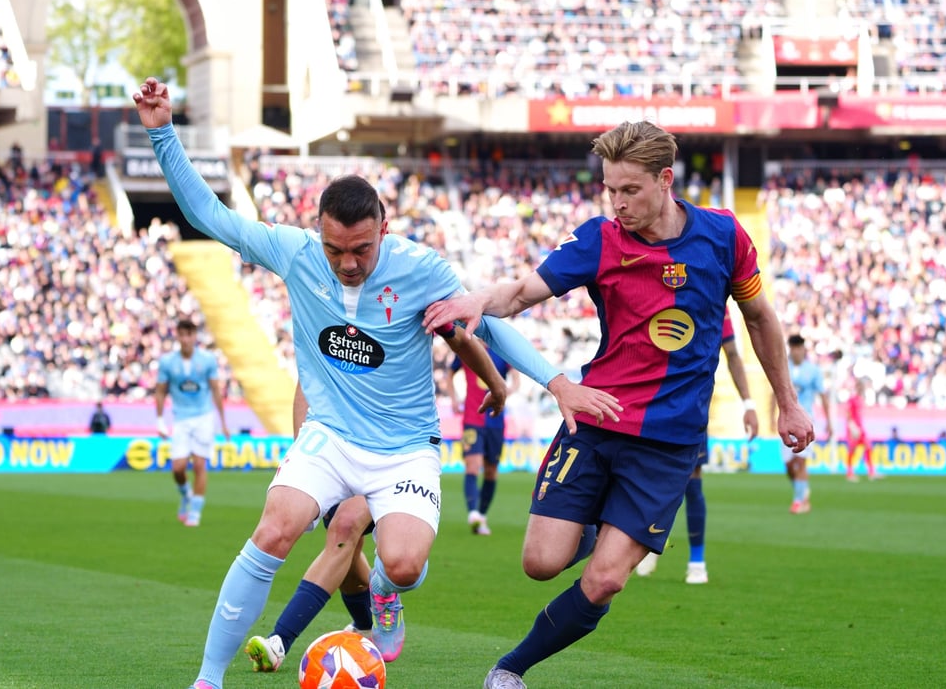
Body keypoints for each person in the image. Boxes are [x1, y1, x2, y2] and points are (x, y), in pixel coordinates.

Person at [132, 77, 621, 689]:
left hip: (406, 447)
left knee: (403, 563)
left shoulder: (421, 270)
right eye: (336, 249)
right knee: (275, 527)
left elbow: (487, 325)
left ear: (383, 229)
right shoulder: (294, 252)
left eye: (361, 249)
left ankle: (387, 595)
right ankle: (208, 679)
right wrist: (161, 131)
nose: (349, 262)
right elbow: (210, 214)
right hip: (330, 434)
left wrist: (553, 382)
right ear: (319, 231)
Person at [422, 120, 814, 689]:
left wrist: (787, 402)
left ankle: (510, 670)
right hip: (596, 418)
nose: (617, 202)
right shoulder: (600, 240)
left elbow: (759, 318)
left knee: (606, 578)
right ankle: (612, 527)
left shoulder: (724, 237)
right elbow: (523, 292)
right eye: (609, 189)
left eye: (629, 190)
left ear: (665, 180)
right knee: (541, 563)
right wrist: (479, 298)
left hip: (669, 442)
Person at [246, 323, 508, 672]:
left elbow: (460, 341)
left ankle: (292, 634)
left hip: (394, 455)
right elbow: (306, 387)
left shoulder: (396, 328)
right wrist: (304, 458)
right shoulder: (331, 328)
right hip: (336, 453)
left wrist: (502, 384)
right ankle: (361, 623)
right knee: (346, 547)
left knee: (349, 531)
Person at [634, 310, 758, 583]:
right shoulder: (663, 295)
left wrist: (748, 403)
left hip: (692, 409)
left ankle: (697, 561)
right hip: (653, 403)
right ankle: (653, 541)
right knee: (652, 482)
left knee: (691, 481)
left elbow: (733, 353)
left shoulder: (714, 302)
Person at [154, 318, 230, 527]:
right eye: (182, 335)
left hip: (204, 416)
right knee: (177, 468)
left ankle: (195, 512)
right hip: (181, 418)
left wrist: (223, 422)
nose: (186, 339)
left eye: (190, 335)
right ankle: (186, 494)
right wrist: (160, 420)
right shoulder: (167, 362)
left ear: (195, 336)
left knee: (199, 464)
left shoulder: (207, 360)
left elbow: (215, 389)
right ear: (177, 336)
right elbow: (160, 391)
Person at [444, 339, 518, 536]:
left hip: (496, 420)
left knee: (491, 471)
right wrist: (453, 398)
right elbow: (450, 373)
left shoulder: (501, 352)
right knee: (472, 465)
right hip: (472, 418)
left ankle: (482, 516)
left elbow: (516, 378)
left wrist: (506, 391)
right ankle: (474, 513)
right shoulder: (467, 349)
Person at [779, 334, 833, 513]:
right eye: (793, 348)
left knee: (800, 461)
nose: (796, 351)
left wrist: (829, 421)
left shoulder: (813, 370)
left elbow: (823, 396)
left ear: (803, 349)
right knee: (788, 464)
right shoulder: (783, 367)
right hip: (787, 419)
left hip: (806, 420)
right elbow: (775, 392)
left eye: (799, 348)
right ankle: (802, 492)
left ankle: (798, 501)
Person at [844, 377, 877, 482]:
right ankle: (849, 473)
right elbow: (848, 414)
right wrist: (851, 426)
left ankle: (871, 472)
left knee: (868, 446)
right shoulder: (852, 399)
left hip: (861, 428)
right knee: (852, 449)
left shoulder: (860, 399)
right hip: (853, 428)